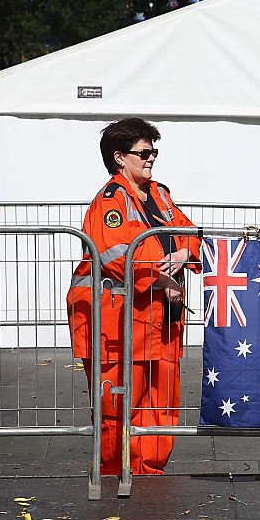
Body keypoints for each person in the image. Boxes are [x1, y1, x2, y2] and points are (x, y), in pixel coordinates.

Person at [66, 117, 200, 476]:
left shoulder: (159, 194)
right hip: (119, 323)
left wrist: (186, 254)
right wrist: (161, 280)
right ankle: (115, 473)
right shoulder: (110, 201)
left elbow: (189, 231)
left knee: (161, 403)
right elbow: (115, 254)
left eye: (154, 151)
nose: (151, 158)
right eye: (144, 152)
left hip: (159, 322)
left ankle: (150, 473)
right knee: (117, 406)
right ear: (119, 157)